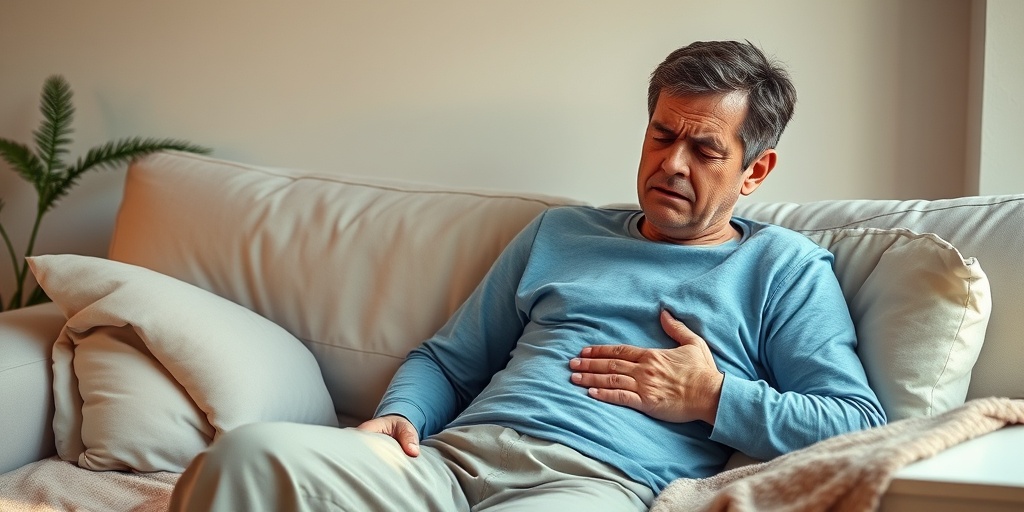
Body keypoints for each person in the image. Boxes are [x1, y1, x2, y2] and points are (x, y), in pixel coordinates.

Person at [169, 40, 886, 511]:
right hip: (446, 468)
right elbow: (447, 363)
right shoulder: (560, 233)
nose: (672, 163)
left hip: (589, 485)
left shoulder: (783, 269)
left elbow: (856, 423)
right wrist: (401, 415)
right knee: (245, 458)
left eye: (704, 150)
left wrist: (711, 396)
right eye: (662, 136)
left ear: (755, 170)